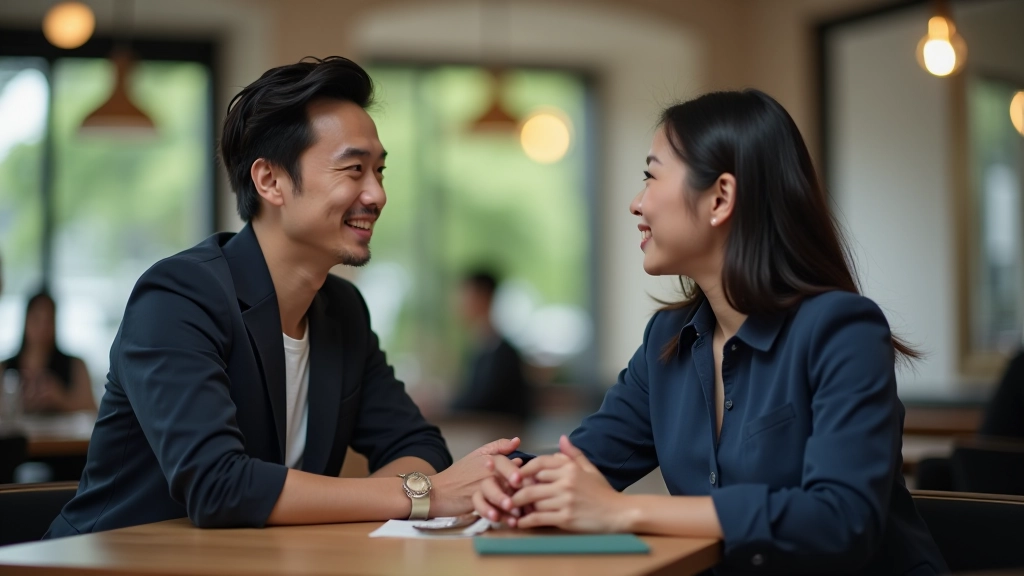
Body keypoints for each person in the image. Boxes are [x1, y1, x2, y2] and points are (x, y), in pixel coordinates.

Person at [474, 90, 948, 575]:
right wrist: (513, 480)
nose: (636, 204)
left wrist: (623, 511)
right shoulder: (668, 340)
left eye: (650, 176)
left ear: (720, 197)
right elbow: (587, 462)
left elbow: (840, 520)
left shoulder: (842, 330)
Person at [45, 56, 520, 538]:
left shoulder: (342, 310)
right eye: (353, 169)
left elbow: (417, 444)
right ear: (269, 181)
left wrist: (393, 501)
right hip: (104, 563)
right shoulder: (179, 296)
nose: (376, 195)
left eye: (379, 171)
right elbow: (217, 486)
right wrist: (424, 495)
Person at [450, 270, 530, 421]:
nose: (459, 303)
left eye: (465, 295)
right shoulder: (480, 349)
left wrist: (444, 406)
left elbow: (481, 401)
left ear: (483, 297)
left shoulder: (502, 354)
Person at [1, 292, 96, 414]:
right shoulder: (4, 368)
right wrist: (16, 401)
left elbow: (93, 410)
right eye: (37, 319)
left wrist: (61, 399)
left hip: (63, 433)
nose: (42, 328)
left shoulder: (76, 365)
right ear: (26, 320)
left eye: (48, 320)